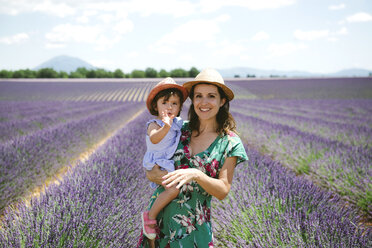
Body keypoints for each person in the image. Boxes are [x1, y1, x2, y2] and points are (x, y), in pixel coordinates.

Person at [138, 68, 248, 248]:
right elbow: (155, 155)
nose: (204, 102)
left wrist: (196, 174)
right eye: (198, 96)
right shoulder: (179, 129)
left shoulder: (230, 143)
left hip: (194, 229)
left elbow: (223, 190)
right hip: (159, 224)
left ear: (222, 101)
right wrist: (150, 173)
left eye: (211, 96)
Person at [141, 77, 189, 241]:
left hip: (166, 163)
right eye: (165, 102)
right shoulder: (154, 124)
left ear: (180, 107)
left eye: (174, 104)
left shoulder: (177, 123)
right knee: (173, 189)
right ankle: (150, 216)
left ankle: (159, 216)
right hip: (156, 162)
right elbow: (154, 139)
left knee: (171, 191)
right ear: (156, 105)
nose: (169, 107)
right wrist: (166, 125)